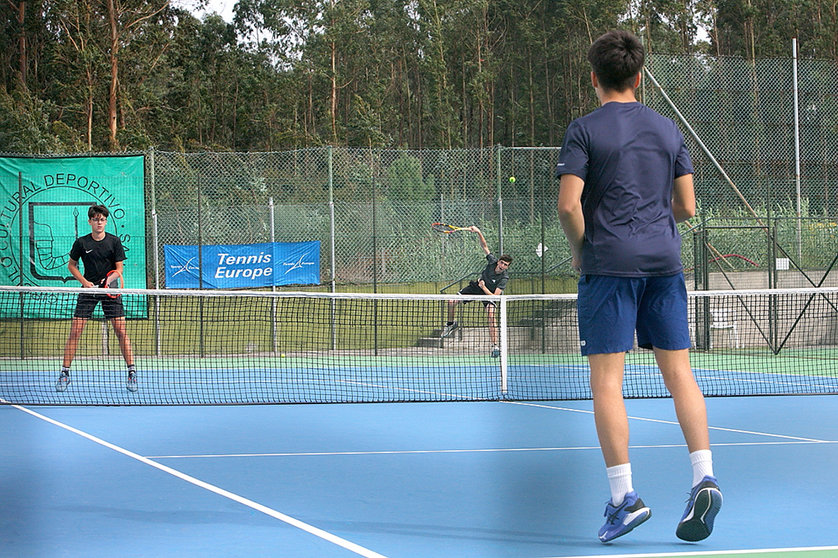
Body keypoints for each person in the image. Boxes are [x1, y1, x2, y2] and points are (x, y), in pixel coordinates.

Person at [556, 30, 721, 543]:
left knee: (607, 384)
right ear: (639, 77)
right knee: (680, 376)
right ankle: (704, 478)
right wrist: (652, 224)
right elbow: (688, 207)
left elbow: (568, 206)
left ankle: (624, 499)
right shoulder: (670, 130)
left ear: (594, 79)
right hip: (665, 266)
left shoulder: (584, 130)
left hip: (609, 268)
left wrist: (587, 251)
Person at [56, 205, 137, 393]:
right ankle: (64, 373)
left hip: (110, 290)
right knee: (75, 330)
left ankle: (132, 372)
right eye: (95, 219)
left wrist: (107, 282)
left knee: (120, 331)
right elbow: (72, 265)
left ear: (105, 222)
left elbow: (119, 270)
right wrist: (84, 282)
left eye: (102, 219)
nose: (99, 222)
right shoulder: (81, 243)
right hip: (89, 289)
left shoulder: (114, 242)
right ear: (90, 221)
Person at [440, 226, 512, 358]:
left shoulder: (504, 278)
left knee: (491, 315)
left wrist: (484, 288)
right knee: (451, 302)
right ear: (498, 262)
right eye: (501, 263)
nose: (502, 266)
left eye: (505, 265)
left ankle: (495, 346)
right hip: (476, 287)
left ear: (507, 267)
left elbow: (496, 297)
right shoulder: (492, 262)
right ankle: (451, 324)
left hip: (488, 293)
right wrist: (479, 232)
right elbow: (484, 246)